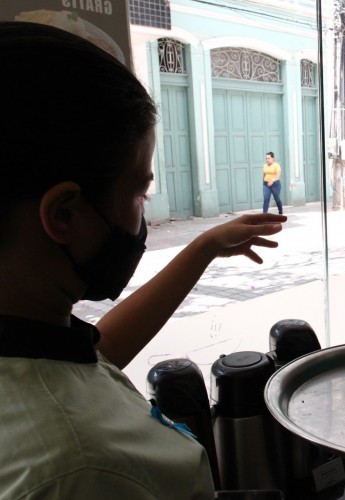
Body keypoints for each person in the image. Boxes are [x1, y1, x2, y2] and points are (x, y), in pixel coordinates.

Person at [0, 22, 286, 499]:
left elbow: (96, 356)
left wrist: (202, 249)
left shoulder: (32, 339)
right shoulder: (80, 469)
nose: (143, 212)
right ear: (64, 214)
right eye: (138, 192)